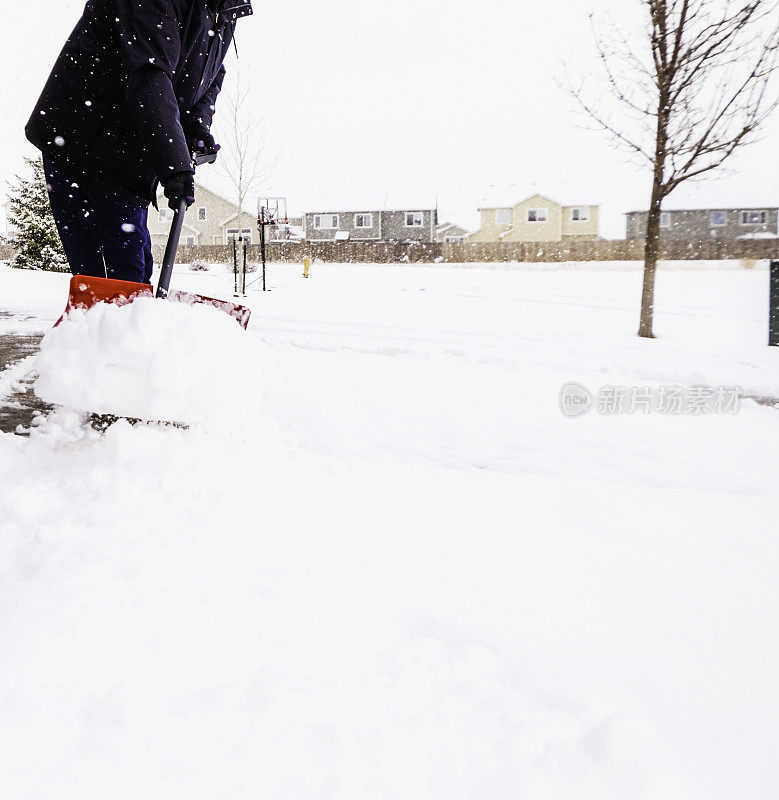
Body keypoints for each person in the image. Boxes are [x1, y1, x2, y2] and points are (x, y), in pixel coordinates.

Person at [26, 0, 253, 284]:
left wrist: (196, 126)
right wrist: (176, 165)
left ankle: (117, 321)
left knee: (131, 277)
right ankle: (105, 323)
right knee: (114, 282)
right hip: (87, 146)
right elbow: (148, 74)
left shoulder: (224, 7)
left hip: (130, 153)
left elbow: (212, 73)